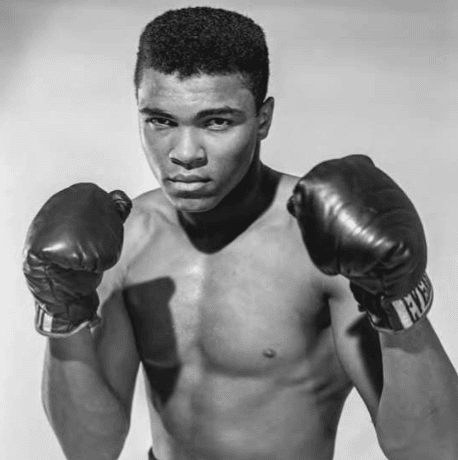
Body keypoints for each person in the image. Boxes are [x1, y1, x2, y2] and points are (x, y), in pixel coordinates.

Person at [23, 7, 458, 460]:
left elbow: (434, 451)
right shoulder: (126, 239)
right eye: (161, 121)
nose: (185, 154)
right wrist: (63, 314)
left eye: (216, 122)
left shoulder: (322, 244)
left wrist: (398, 300)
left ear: (263, 119)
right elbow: (89, 450)